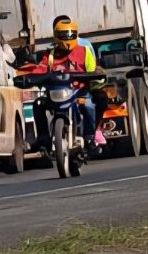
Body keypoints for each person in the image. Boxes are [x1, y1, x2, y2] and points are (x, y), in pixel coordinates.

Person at [29, 16, 100, 155]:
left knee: (89, 105)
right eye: (63, 35)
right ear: (56, 36)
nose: (67, 38)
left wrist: (96, 77)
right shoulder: (49, 55)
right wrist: (31, 77)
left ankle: (90, 137)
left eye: (70, 34)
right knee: (38, 104)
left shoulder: (84, 51)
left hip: (78, 92)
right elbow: (40, 69)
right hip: (55, 93)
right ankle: (44, 138)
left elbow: (93, 69)